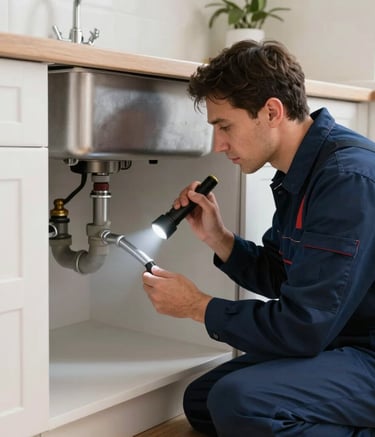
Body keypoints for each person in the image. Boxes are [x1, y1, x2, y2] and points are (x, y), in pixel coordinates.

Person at [142, 40, 375, 436]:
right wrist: (221, 239)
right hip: (339, 337)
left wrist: (197, 306)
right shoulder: (301, 172)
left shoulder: (344, 179)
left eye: (225, 126)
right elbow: (286, 278)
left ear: (271, 111)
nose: (218, 144)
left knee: (239, 402)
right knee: (202, 401)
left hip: (365, 351)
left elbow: (303, 326)